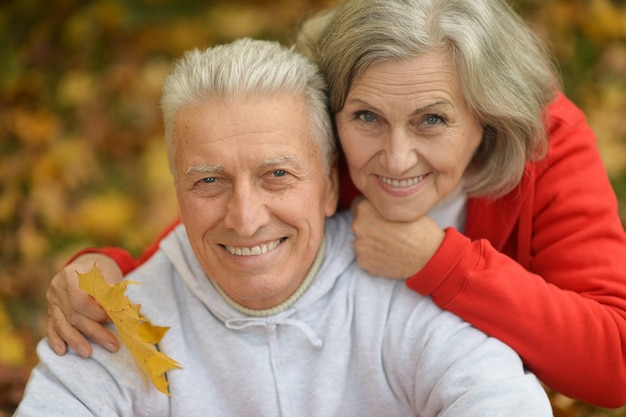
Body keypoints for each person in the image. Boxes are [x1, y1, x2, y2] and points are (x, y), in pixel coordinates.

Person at [47, 0, 626, 408]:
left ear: (487, 115)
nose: (397, 160)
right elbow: (230, 219)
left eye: (433, 120)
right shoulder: (326, 138)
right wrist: (110, 270)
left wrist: (441, 263)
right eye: (367, 118)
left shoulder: (543, 143)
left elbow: (614, 361)